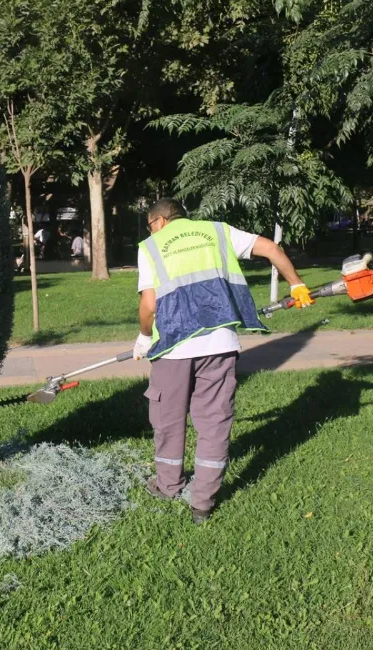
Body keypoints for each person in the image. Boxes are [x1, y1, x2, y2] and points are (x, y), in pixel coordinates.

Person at [133, 197, 314, 524]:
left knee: (167, 418)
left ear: (158, 221)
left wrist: (145, 337)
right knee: (214, 422)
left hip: (173, 348)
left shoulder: (151, 245)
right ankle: (203, 502)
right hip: (220, 343)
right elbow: (272, 249)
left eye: (150, 224)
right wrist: (296, 284)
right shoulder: (218, 231)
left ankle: (168, 485)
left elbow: (149, 303)